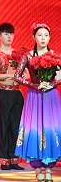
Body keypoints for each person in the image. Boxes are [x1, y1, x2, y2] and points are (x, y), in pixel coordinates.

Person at [14, 24, 61, 181]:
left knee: (50, 128)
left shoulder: (55, 55)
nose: (43, 38)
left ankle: (49, 168)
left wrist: (53, 84)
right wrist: (34, 85)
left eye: (46, 35)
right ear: (34, 37)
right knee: (35, 128)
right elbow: (17, 76)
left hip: (51, 96)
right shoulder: (28, 56)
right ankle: (37, 167)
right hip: (34, 96)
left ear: (50, 37)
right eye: (39, 35)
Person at [0, 22, 24, 170]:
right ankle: (4, 159)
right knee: (2, 125)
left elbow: (25, 73)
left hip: (17, 93)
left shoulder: (18, 54)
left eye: (11, 33)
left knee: (15, 126)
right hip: (3, 92)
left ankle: (14, 159)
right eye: (6, 33)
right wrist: (8, 75)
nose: (9, 36)